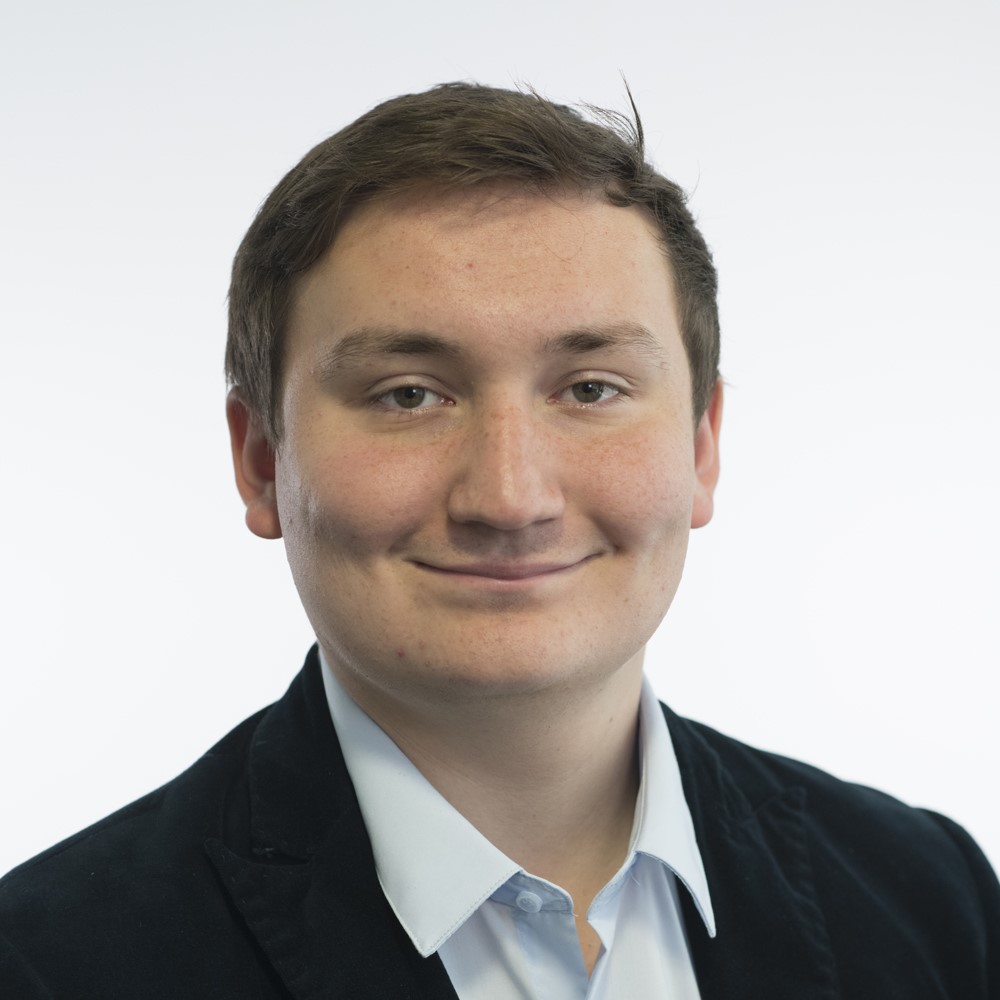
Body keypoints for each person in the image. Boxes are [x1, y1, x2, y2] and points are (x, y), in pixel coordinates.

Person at [0, 82, 996, 999]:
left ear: (702, 447)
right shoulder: (47, 961)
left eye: (591, 388)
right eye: (408, 394)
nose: (509, 496)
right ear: (262, 460)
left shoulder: (933, 899)